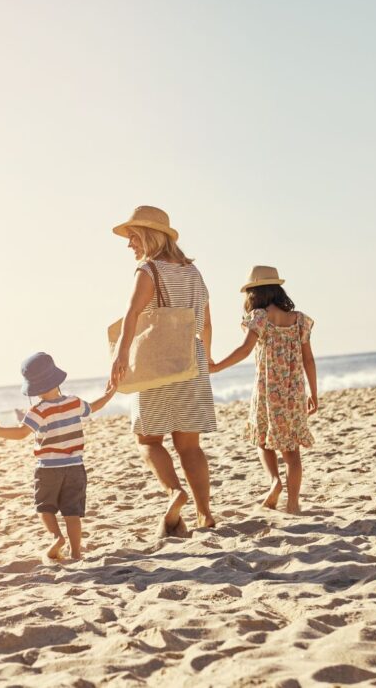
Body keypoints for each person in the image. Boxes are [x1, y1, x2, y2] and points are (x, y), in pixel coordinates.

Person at [109, 205, 217, 536]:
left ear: (148, 236)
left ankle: (174, 492)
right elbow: (207, 324)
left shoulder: (148, 270)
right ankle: (204, 514)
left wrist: (120, 355)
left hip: (157, 362)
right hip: (191, 360)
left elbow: (132, 314)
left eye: (133, 237)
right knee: (190, 446)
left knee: (147, 438)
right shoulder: (193, 273)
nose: (130, 245)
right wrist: (206, 360)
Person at [0, 353, 116, 561]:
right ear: (56, 379)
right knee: (72, 513)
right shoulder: (74, 403)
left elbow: (20, 433)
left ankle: (56, 538)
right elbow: (95, 407)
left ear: (33, 388)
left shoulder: (38, 411)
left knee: (44, 508)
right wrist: (110, 393)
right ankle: (76, 553)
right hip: (75, 467)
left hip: (48, 468)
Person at [210, 266, 317, 514]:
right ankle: (293, 504)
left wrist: (217, 368)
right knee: (292, 451)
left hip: (267, 391)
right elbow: (309, 360)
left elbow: (244, 349)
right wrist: (314, 392)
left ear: (254, 293)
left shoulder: (259, 316)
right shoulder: (299, 319)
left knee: (262, 440)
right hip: (294, 392)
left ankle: (274, 482)